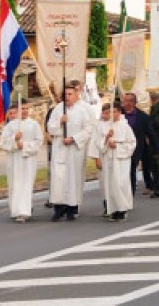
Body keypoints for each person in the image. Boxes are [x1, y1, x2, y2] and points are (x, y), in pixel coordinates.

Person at [47, 82, 96, 221]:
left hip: (75, 150)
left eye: (70, 94)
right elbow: (50, 128)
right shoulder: (58, 109)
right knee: (59, 178)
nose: (67, 97)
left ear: (76, 94)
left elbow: (89, 129)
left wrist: (74, 139)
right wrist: (60, 122)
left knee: (73, 178)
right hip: (60, 149)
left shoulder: (83, 110)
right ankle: (59, 208)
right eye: (65, 95)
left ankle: (72, 208)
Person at [89, 102, 136, 221]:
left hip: (121, 160)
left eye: (114, 111)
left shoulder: (125, 127)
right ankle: (113, 209)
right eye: (110, 112)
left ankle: (122, 209)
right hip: (108, 158)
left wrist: (118, 146)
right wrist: (106, 139)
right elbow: (97, 144)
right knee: (110, 185)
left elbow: (132, 143)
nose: (112, 114)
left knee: (120, 183)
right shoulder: (102, 126)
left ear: (119, 113)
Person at [0, 103, 44, 223]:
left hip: (28, 160)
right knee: (15, 184)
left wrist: (24, 145)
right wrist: (15, 139)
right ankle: (15, 210)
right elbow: (3, 142)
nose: (24, 111)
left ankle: (24, 211)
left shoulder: (34, 125)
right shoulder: (11, 126)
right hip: (14, 160)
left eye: (26, 108)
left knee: (26, 184)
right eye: (22, 109)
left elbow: (39, 141)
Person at [122, 92, 159, 195]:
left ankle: (130, 194)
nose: (126, 103)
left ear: (134, 102)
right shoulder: (118, 114)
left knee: (131, 171)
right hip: (120, 148)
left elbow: (151, 133)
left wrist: (156, 149)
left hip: (136, 148)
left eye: (129, 101)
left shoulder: (142, 117)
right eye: (125, 100)